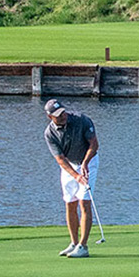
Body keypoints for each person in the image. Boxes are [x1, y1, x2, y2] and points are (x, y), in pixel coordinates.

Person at [43, 98, 99, 258]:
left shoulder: (81, 120)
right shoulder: (49, 133)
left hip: (89, 160)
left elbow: (94, 144)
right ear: (50, 117)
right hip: (69, 165)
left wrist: (85, 164)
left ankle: (83, 246)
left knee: (84, 202)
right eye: (58, 115)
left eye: (63, 112)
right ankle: (74, 243)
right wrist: (76, 175)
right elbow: (60, 159)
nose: (62, 116)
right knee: (70, 202)